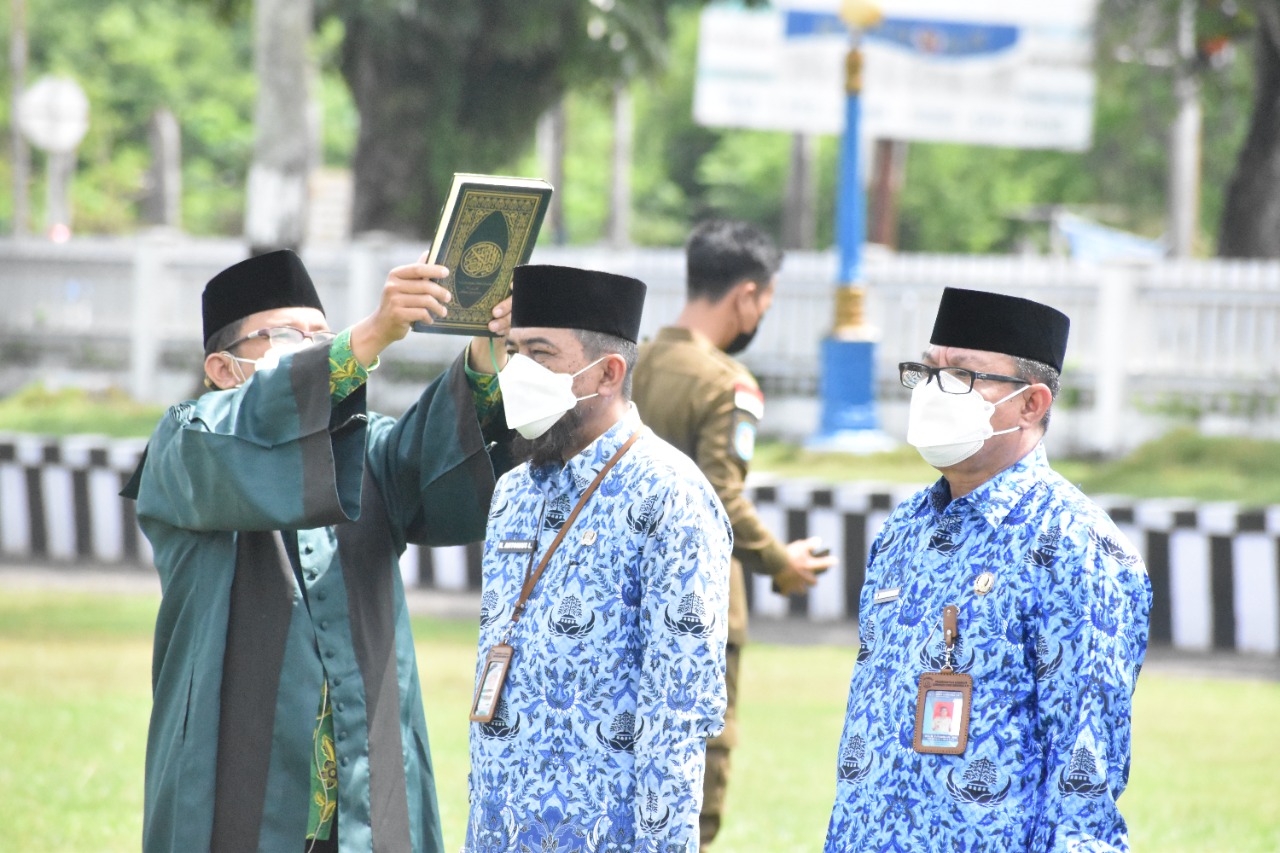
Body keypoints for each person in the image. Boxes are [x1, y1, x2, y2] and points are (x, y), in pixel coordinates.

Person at [122, 248, 513, 853]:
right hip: (237, 772)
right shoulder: (186, 443)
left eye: (320, 336)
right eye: (285, 336)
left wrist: (485, 356)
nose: (309, 350)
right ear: (223, 369)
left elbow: (437, 464)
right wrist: (371, 336)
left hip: (364, 773)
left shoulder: (367, 447)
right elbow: (251, 426)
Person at [824, 287, 1152, 851]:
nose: (933, 390)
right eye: (927, 370)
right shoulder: (906, 529)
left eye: (964, 375)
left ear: (1032, 403)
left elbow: (1083, 771)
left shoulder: (1077, 546)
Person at [465, 264, 732, 852]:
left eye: (539, 353)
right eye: (512, 351)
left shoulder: (670, 494)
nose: (516, 371)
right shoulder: (515, 490)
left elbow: (678, 710)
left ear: (607, 372)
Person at [631, 219, 835, 845]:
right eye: (765, 303)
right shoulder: (726, 383)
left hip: (624, 590)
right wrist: (779, 560)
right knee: (699, 771)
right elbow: (721, 497)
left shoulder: (629, 363)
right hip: (701, 601)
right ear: (748, 295)